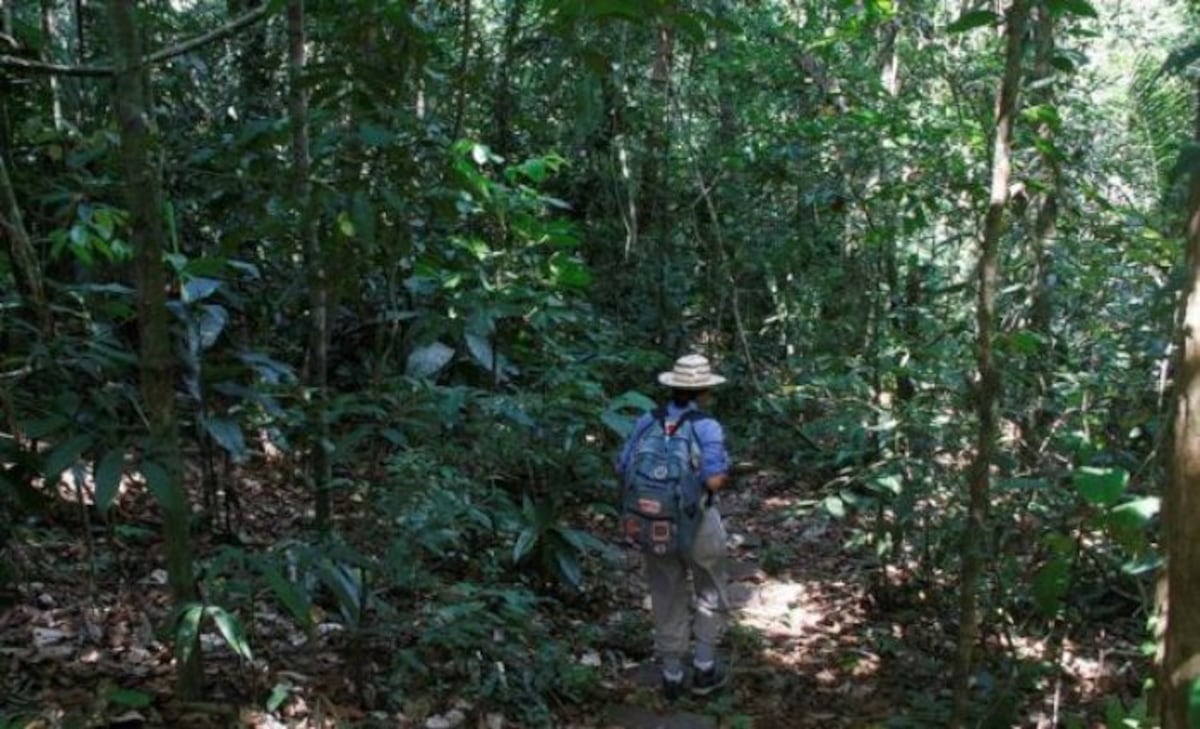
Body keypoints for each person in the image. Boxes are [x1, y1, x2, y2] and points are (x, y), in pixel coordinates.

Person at [615, 353, 732, 700]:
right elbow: (713, 481)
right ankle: (705, 669)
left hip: (654, 522)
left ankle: (671, 675)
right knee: (710, 588)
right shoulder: (706, 426)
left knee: (666, 593)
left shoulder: (646, 421)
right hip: (697, 521)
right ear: (704, 391)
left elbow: (623, 467)